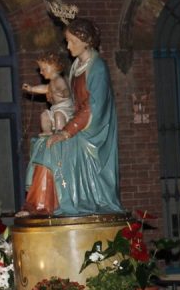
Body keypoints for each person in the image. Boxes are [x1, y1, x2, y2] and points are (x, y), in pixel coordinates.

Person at [22, 17, 122, 216]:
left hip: (92, 134)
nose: (67, 47)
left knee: (52, 147)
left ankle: (45, 205)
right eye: (67, 41)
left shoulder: (97, 67)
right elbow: (72, 102)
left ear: (85, 41)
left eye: (71, 41)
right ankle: (38, 204)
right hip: (76, 124)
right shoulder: (76, 66)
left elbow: (94, 107)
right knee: (42, 144)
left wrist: (66, 131)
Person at [19, 50, 75, 216]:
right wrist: (32, 89)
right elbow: (44, 89)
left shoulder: (59, 81)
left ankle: (58, 132)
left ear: (54, 67)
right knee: (45, 115)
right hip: (54, 110)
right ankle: (48, 131)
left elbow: (65, 89)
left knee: (58, 117)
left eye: (44, 69)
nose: (41, 72)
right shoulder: (51, 83)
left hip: (63, 110)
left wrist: (65, 93)